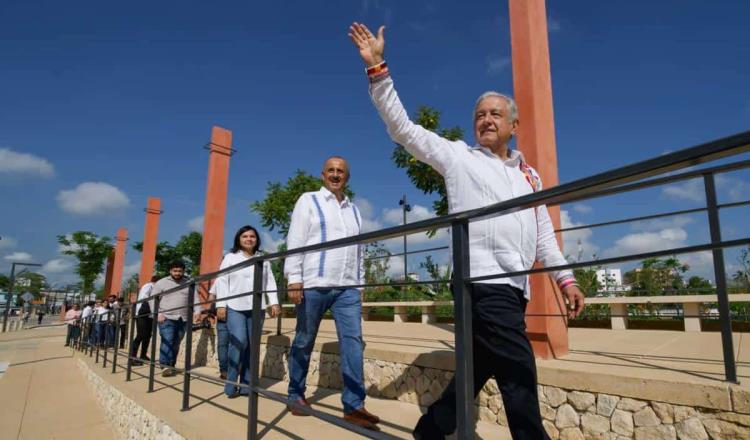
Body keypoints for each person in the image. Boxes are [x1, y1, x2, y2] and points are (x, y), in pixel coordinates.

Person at [348, 23, 586, 440]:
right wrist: (378, 70)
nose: (486, 120)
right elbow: (404, 130)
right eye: (480, 115)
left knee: (474, 372)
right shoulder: (458, 157)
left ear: (514, 125)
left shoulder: (529, 176)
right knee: (518, 369)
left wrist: (564, 279)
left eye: (495, 114)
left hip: (513, 288)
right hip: (479, 282)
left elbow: (543, 234)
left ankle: (430, 431)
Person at [284, 156, 378, 430]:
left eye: (341, 172)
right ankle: (295, 394)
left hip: (347, 288)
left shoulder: (355, 210)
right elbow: (296, 239)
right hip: (314, 284)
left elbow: (359, 250)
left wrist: (360, 286)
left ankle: (354, 406)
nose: (336, 175)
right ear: (323, 174)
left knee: (353, 342)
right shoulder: (308, 200)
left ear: (347, 178)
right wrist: (294, 278)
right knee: (303, 339)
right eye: (331, 171)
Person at [210, 225, 281, 398]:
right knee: (239, 341)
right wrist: (221, 305)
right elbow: (222, 280)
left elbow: (269, 281)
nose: (249, 239)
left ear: (256, 239)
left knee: (252, 345)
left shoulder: (262, 258)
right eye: (245, 236)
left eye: (252, 236)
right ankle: (231, 384)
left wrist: (274, 302)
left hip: (257, 308)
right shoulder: (231, 257)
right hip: (235, 306)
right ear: (238, 239)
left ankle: (246, 386)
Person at [151, 260, 202, 377]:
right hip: (166, 316)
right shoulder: (161, 283)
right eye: (175, 271)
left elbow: (195, 298)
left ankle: (171, 365)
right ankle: (164, 365)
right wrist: (157, 313)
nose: (177, 273)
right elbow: (152, 299)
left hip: (183, 318)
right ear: (170, 271)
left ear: (183, 271)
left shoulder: (189, 282)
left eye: (180, 271)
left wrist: (198, 311)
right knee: (168, 339)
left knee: (176, 343)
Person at [131, 275, 158, 366]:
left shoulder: (153, 287)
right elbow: (144, 298)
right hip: (142, 314)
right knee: (140, 335)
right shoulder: (149, 286)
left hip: (149, 315)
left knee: (147, 336)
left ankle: (143, 355)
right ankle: (132, 357)